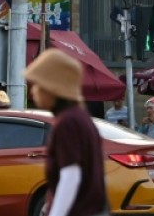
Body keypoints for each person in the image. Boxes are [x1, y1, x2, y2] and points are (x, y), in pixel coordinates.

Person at [23, 48, 106, 216]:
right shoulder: (81, 118)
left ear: (53, 88)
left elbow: (71, 176)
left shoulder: (67, 123)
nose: (33, 91)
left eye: (39, 85)